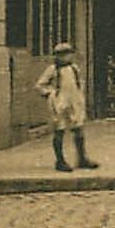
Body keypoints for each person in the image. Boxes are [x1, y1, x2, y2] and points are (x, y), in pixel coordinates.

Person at [36, 42, 99, 171]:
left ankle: (82, 158)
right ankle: (60, 161)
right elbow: (40, 85)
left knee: (78, 129)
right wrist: (50, 94)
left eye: (68, 54)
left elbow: (79, 84)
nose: (65, 57)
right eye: (62, 55)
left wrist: (80, 98)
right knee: (60, 130)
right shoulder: (53, 69)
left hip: (74, 102)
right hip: (60, 102)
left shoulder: (74, 68)